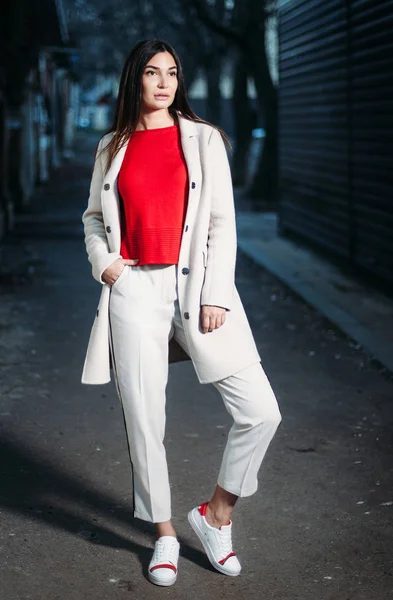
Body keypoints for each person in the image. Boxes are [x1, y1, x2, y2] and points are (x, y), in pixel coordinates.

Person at [81, 39, 282, 587]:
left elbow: (222, 222)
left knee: (261, 411)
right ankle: (165, 534)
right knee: (145, 421)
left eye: (172, 72)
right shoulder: (112, 145)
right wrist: (108, 268)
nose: (164, 82)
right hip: (134, 289)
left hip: (198, 289)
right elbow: (94, 218)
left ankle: (216, 516)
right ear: (135, 80)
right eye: (152, 72)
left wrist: (217, 294)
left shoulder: (204, 139)